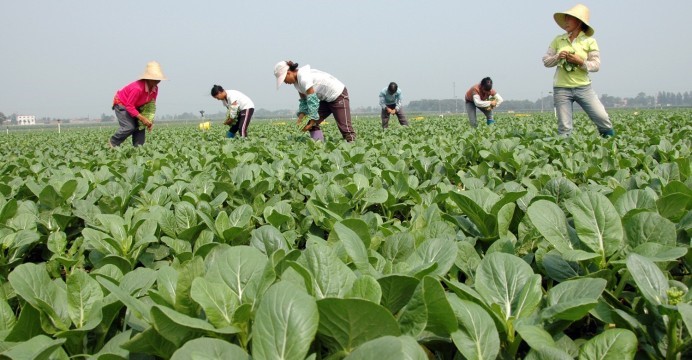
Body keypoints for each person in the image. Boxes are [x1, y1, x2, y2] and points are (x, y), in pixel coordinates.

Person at [542, 4, 615, 137]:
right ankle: (564, 153)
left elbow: (596, 65)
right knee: (564, 127)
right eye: (566, 18)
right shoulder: (558, 40)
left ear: (579, 22)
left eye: (570, 18)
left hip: (583, 87)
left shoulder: (590, 41)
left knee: (602, 118)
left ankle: (612, 147)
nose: (566, 21)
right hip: (562, 88)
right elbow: (546, 61)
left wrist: (580, 62)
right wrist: (558, 57)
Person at [274, 60, 356, 142]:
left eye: (284, 79)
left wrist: (313, 120)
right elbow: (304, 101)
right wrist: (301, 117)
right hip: (324, 99)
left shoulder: (303, 78)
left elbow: (312, 100)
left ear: (288, 73)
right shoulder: (296, 83)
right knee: (308, 121)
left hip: (338, 95)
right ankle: (318, 146)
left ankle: (352, 146)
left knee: (345, 129)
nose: (285, 82)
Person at [109, 61, 166, 147]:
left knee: (140, 127)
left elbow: (150, 106)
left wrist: (150, 121)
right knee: (129, 127)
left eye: (159, 78)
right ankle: (112, 143)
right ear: (148, 78)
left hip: (137, 106)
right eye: (155, 78)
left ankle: (138, 150)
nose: (158, 81)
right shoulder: (137, 88)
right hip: (122, 104)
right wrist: (142, 118)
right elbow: (129, 106)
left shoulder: (155, 89)